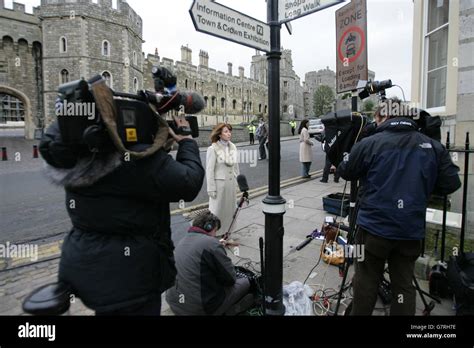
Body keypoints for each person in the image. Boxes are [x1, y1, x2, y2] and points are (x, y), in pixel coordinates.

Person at [39, 115, 205, 315]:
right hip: (134, 275)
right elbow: (188, 182)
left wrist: (159, 148)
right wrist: (186, 141)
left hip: (88, 266)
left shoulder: (79, 156)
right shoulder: (136, 159)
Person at [338, 99, 461, 316]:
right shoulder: (431, 145)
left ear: (384, 117)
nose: (375, 123)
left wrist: (364, 138)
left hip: (372, 230)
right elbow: (451, 183)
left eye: (376, 119)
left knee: (365, 281)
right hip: (409, 231)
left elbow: (345, 170)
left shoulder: (371, 143)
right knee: (403, 286)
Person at [166, 211, 254, 315]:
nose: (215, 235)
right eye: (215, 231)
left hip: (175, 304)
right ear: (209, 227)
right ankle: (230, 310)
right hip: (199, 310)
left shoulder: (182, 241)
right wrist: (218, 248)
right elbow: (230, 279)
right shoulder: (212, 244)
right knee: (245, 282)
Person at [206, 123, 240, 238]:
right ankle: (213, 233)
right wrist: (211, 188)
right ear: (219, 134)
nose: (229, 133)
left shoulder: (233, 147)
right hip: (219, 186)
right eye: (226, 131)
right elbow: (209, 170)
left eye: (229, 131)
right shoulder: (213, 148)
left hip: (230, 184)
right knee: (217, 211)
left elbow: (235, 167)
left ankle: (226, 232)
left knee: (230, 211)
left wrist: (238, 183)